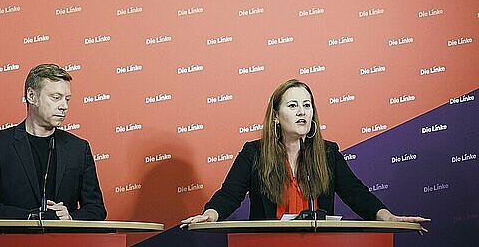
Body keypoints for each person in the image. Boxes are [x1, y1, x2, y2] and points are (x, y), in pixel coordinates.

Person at [181, 79, 429, 229]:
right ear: (276, 116)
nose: (302, 112)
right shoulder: (253, 153)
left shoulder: (328, 152)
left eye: (307, 105)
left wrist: (387, 217)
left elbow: (356, 193)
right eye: (293, 105)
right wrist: (210, 214)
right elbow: (230, 194)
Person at [0, 63, 106, 220]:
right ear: (32, 96)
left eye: (67, 99)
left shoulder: (79, 148)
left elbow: (96, 209)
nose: (64, 106)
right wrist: (31, 217)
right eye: (56, 98)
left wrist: (70, 219)